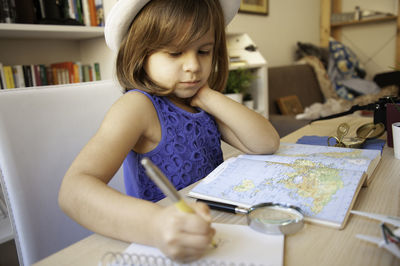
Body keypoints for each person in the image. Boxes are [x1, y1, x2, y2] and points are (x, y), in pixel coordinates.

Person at [58, 0, 280, 262]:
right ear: (140, 55)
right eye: (175, 54)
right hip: (162, 245)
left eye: (204, 51)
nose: (193, 66)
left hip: (212, 231)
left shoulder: (200, 103)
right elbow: (73, 190)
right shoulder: (137, 107)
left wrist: (209, 97)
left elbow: (266, 142)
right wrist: (156, 225)